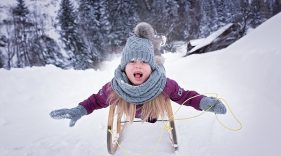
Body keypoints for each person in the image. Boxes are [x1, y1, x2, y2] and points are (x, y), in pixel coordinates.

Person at [50, 22, 226, 127]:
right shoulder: (115, 87)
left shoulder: (164, 85)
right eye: (132, 62)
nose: (138, 66)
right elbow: (96, 100)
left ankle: (154, 48)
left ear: (151, 67)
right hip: (131, 104)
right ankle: (152, 46)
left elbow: (186, 97)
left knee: (151, 117)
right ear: (124, 67)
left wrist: (205, 103)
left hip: (153, 105)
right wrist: (79, 110)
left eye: (143, 62)